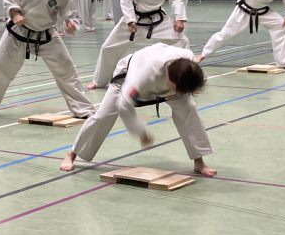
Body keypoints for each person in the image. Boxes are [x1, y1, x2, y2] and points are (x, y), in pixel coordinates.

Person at [61, 43, 215, 177]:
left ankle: (199, 162)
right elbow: (124, 106)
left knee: (189, 107)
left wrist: (182, 91)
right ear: (169, 79)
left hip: (169, 79)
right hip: (125, 77)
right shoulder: (141, 77)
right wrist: (141, 132)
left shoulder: (187, 61)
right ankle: (72, 154)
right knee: (103, 115)